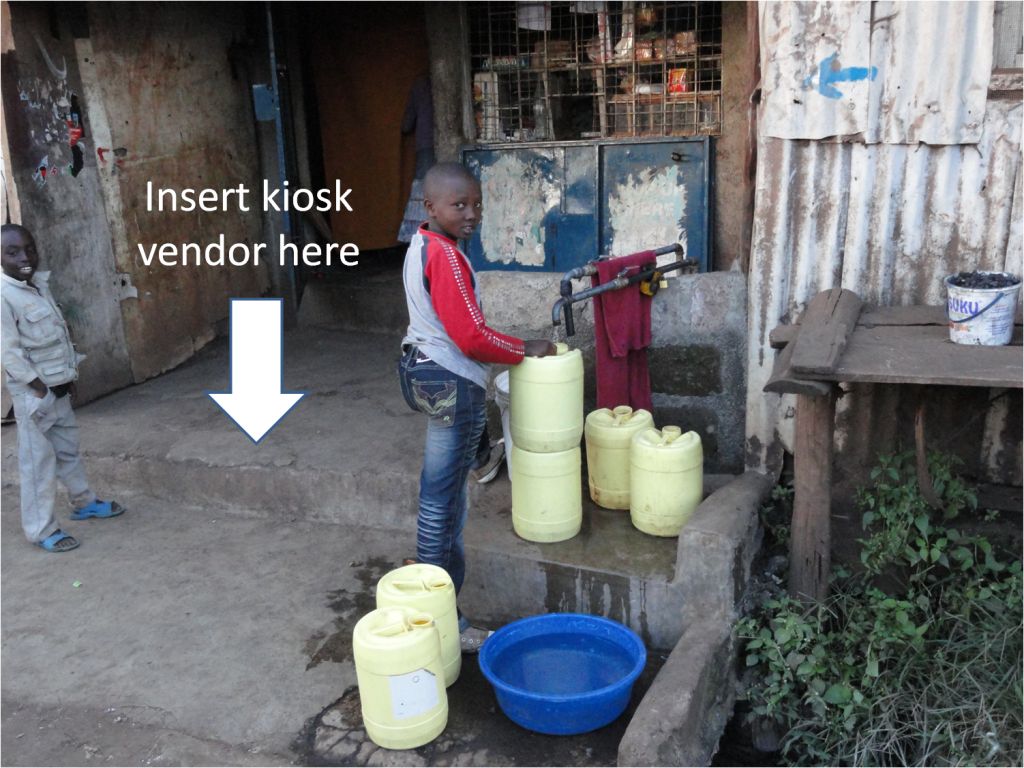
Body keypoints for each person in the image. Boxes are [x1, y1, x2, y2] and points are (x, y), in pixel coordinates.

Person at [398, 163, 555, 652]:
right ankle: (443, 615)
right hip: (449, 379)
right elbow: (471, 338)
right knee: (444, 503)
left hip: (420, 369)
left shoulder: (422, 244)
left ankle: (426, 572)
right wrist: (525, 348)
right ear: (430, 207)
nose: (471, 214)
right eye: (459, 205)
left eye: (476, 204)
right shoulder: (446, 257)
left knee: (441, 485)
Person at [1, 223, 125, 553]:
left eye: (29, 249)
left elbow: (57, 337)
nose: (24, 258)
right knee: (37, 463)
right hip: (34, 394)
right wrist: (40, 389)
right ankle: (41, 530)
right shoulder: (3, 296)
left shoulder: (38, 285)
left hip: (57, 387)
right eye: (12, 252)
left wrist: (67, 379)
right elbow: (9, 354)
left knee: (68, 449)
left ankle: (84, 502)